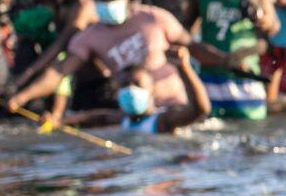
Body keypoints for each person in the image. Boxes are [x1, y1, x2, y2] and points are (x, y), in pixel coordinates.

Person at [8, 0, 191, 120]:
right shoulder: (90, 37)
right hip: (134, 117)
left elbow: (192, 46)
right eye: (102, 2)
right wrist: (22, 97)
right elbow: (60, 72)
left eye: (112, 0)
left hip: (176, 108)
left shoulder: (153, 18)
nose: (108, 6)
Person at [192, 0, 278, 121]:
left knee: (250, 140)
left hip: (246, 79)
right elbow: (185, 34)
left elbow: (273, 27)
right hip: (210, 80)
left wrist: (260, 17)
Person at [79, 48, 210, 136]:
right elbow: (91, 118)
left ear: (152, 90)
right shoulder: (121, 120)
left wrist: (184, 68)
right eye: (125, 85)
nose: (131, 89)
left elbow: (200, 110)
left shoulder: (162, 121)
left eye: (137, 84)